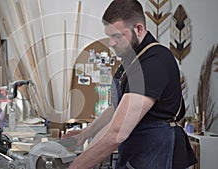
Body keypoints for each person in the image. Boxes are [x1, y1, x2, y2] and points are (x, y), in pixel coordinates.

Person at [62, 0, 197, 168]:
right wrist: (85, 133)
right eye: (109, 36)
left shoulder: (154, 61)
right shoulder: (131, 61)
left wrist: (74, 166)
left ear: (138, 29)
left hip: (159, 152)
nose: (111, 43)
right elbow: (117, 108)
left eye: (117, 36)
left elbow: (116, 133)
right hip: (138, 154)